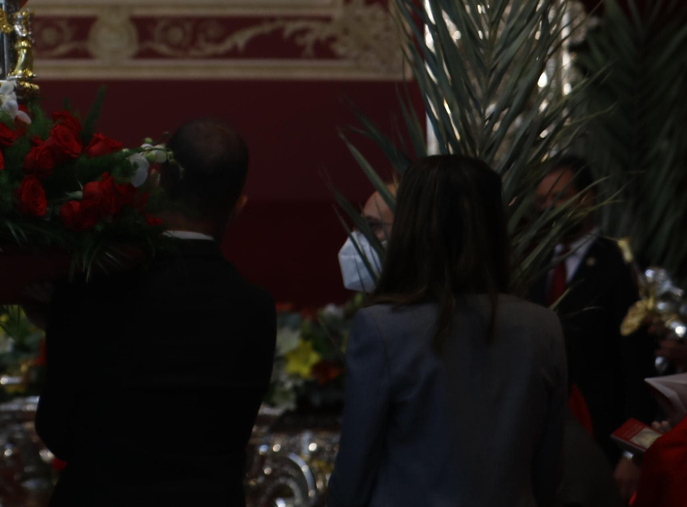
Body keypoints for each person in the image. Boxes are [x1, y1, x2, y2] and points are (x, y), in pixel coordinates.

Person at [35, 119, 275, 505]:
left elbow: (57, 431)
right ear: (238, 206)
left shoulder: (93, 289)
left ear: (158, 184)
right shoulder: (255, 309)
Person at [328, 156, 567, 507]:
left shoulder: (382, 328)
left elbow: (355, 468)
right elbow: (548, 470)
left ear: (411, 226)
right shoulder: (543, 327)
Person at [530, 157, 656, 495]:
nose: (547, 208)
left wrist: (635, 452)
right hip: (542, 447)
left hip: (605, 448)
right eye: (541, 200)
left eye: (558, 197)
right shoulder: (531, 264)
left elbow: (642, 367)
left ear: (588, 197)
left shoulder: (621, 265)